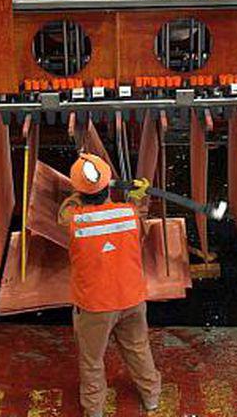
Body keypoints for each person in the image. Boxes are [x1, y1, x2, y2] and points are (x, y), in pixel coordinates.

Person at [58, 153, 162, 417]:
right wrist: (138, 197)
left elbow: (63, 213)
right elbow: (139, 219)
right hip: (132, 298)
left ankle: (94, 410)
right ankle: (151, 398)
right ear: (107, 186)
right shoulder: (129, 214)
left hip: (95, 306)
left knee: (92, 361)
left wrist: (81, 190)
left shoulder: (74, 220)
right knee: (138, 348)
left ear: (79, 191)